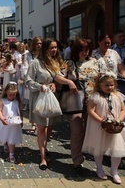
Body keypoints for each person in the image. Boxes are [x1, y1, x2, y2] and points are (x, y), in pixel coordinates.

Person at [26, 38, 77, 170]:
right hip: (39, 99)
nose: (54, 50)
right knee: (42, 128)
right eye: (51, 48)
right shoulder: (35, 63)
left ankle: (45, 147)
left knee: (49, 128)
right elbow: (28, 81)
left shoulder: (54, 62)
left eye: (56, 47)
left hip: (51, 99)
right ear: (45, 49)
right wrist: (40, 86)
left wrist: (65, 82)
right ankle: (42, 158)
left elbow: (57, 76)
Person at [82, 73, 125, 184]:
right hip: (99, 126)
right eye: (107, 85)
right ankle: (99, 168)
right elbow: (90, 111)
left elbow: (123, 110)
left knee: (117, 148)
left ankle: (114, 171)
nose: (110, 87)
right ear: (100, 85)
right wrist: (102, 120)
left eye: (112, 85)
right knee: (99, 147)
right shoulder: (95, 96)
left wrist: (119, 120)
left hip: (115, 126)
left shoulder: (118, 96)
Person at [63, 38, 100, 172]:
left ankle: (96, 159)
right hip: (75, 102)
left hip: (93, 102)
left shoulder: (95, 62)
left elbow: (101, 79)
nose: (84, 53)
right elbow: (57, 76)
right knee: (77, 131)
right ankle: (77, 160)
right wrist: (69, 82)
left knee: (92, 130)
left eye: (87, 50)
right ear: (76, 51)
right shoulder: (69, 63)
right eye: (81, 50)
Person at [0, 82, 23, 163]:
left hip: (14, 123)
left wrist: (21, 120)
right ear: (6, 92)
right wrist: (2, 119)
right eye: (10, 95)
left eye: (14, 94)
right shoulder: (3, 101)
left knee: (12, 138)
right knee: (6, 134)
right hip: (5, 122)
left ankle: (11, 154)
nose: (12, 96)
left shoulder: (17, 101)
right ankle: (6, 143)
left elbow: (20, 111)